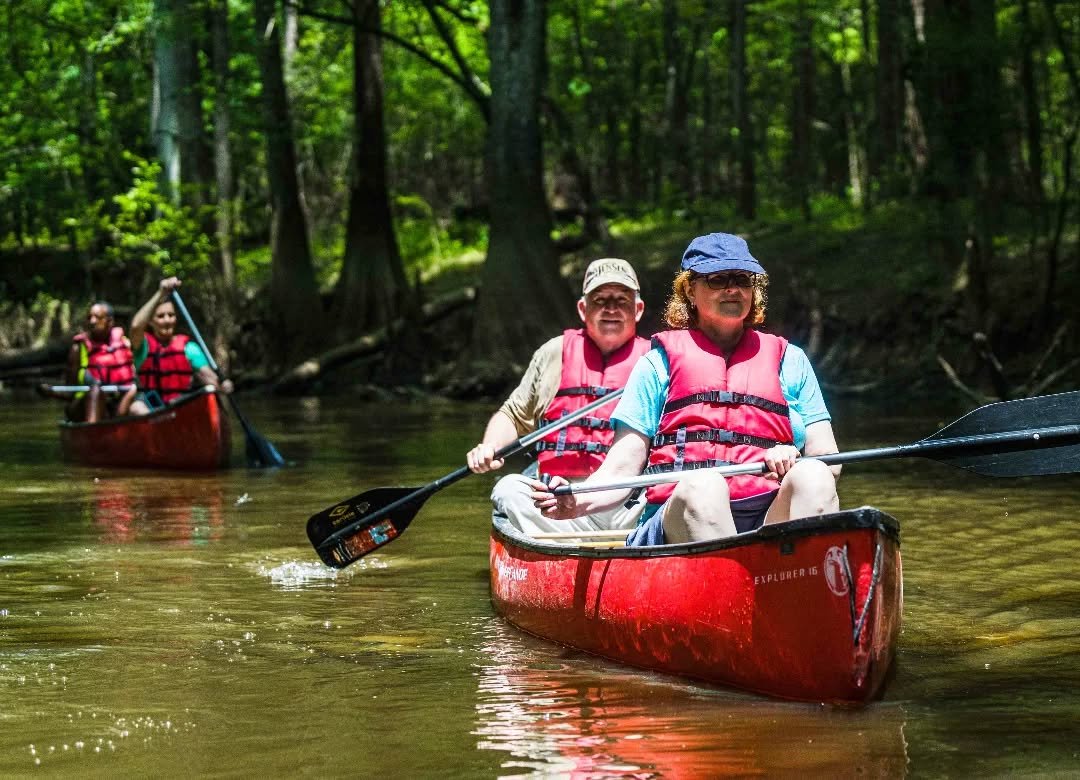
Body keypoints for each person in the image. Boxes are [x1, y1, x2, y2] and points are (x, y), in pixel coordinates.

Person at [531, 233, 841, 545]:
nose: (733, 289)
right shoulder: (657, 365)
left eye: (742, 280)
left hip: (766, 515)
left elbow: (829, 459)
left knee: (814, 476)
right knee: (705, 486)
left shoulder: (792, 360)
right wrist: (576, 501)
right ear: (690, 290)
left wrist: (794, 458)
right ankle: (731, 585)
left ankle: (797, 580)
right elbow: (622, 466)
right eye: (718, 279)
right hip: (680, 520)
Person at [466, 258, 652, 536]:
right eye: (600, 300)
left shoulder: (654, 360)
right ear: (583, 308)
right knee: (507, 489)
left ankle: (581, 542)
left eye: (621, 300)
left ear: (637, 310)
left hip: (625, 504)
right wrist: (489, 447)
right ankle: (558, 542)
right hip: (554, 501)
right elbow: (514, 415)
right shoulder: (554, 353)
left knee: (673, 496)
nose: (610, 309)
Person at [128, 277, 232, 414]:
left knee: (209, 397)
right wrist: (161, 292)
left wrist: (221, 386)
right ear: (150, 322)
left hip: (180, 403)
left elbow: (208, 377)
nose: (167, 320)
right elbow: (136, 326)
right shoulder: (143, 346)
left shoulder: (189, 347)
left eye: (171, 315)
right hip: (151, 405)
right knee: (136, 408)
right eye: (160, 316)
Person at [60, 301, 139, 422]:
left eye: (97, 318)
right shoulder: (78, 349)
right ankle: (93, 431)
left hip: (118, 404)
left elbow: (134, 377)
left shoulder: (124, 343)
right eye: (89, 317)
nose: (92, 321)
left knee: (134, 392)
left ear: (110, 321)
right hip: (83, 406)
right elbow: (69, 390)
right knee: (96, 390)